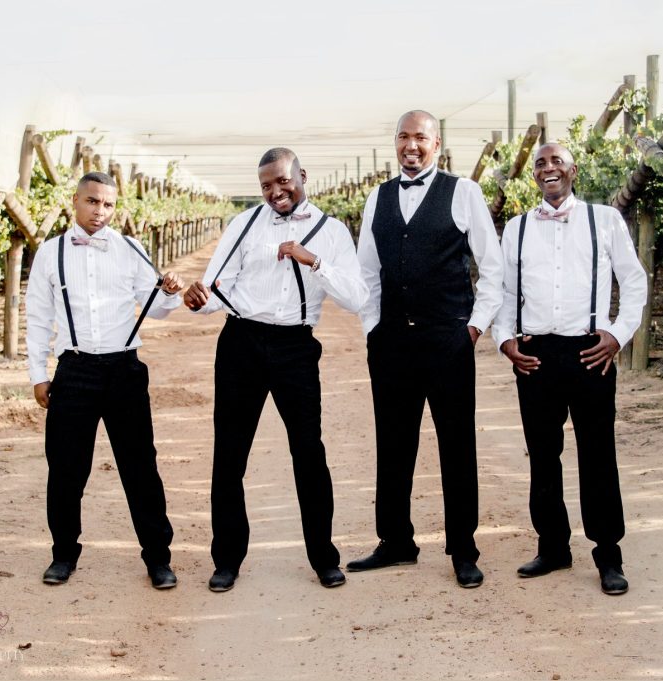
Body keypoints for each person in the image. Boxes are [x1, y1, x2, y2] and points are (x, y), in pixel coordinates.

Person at [184, 148, 368, 592]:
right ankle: (227, 560)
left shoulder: (332, 231)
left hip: (295, 347)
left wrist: (314, 261)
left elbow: (357, 298)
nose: (275, 192)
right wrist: (197, 300)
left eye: (283, 181)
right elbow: (216, 289)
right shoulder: (244, 224)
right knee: (230, 454)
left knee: (308, 452)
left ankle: (324, 558)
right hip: (241, 342)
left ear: (302, 175)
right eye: (266, 185)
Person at [348, 110, 504, 588]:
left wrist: (473, 328)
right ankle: (396, 541)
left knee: (457, 444)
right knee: (393, 442)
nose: (411, 145)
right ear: (395, 143)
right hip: (391, 342)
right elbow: (367, 271)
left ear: (437, 144)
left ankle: (463, 549)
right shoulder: (378, 197)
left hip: (447, 340)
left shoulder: (463, 192)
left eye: (420, 137)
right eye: (403, 137)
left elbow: (492, 268)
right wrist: (373, 328)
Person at [493, 142, 647, 595]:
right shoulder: (517, 228)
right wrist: (505, 339)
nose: (548, 168)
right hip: (535, 354)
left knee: (597, 453)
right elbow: (505, 292)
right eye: (540, 163)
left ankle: (608, 555)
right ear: (534, 177)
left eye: (556, 161)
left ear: (573, 170)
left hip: (589, 352)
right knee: (543, 455)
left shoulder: (605, 220)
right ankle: (553, 547)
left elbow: (634, 280)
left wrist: (617, 334)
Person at [25, 171, 185, 590]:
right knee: (65, 468)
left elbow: (157, 308)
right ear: (75, 202)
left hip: (124, 370)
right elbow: (38, 316)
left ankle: (158, 558)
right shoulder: (51, 253)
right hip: (75, 370)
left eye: (109, 204)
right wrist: (38, 374)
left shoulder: (131, 249)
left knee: (140, 467)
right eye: (93, 201)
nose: (100, 211)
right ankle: (63, 554)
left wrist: (168, 291)